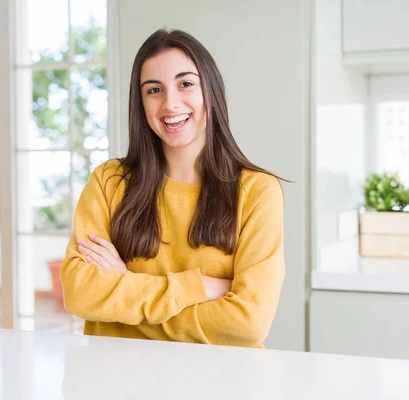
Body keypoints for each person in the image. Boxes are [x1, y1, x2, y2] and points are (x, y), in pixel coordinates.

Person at [60, 28, 286, 348]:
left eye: (186, 84)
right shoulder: (109, 182)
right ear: (140, 102)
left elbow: (247, 324)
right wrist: (199, 288)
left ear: (211, 90)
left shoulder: (257, 191)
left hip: (222, 383)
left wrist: (125, 290)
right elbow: (79, 294)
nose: (170, 103)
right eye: (154, 90)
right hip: (117, 379)